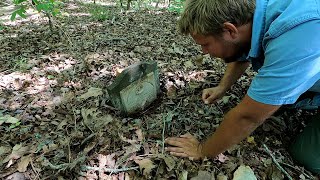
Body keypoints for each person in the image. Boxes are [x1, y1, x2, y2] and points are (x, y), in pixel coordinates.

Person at [165, 0, 320, 174]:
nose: (203, 52)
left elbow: (248, 117)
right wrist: (222, 87)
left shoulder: (295, 37)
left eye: (205, 44)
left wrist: (203, 150)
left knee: (308, 158)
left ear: (230, 30)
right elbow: (242, 48)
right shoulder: (258, 13)